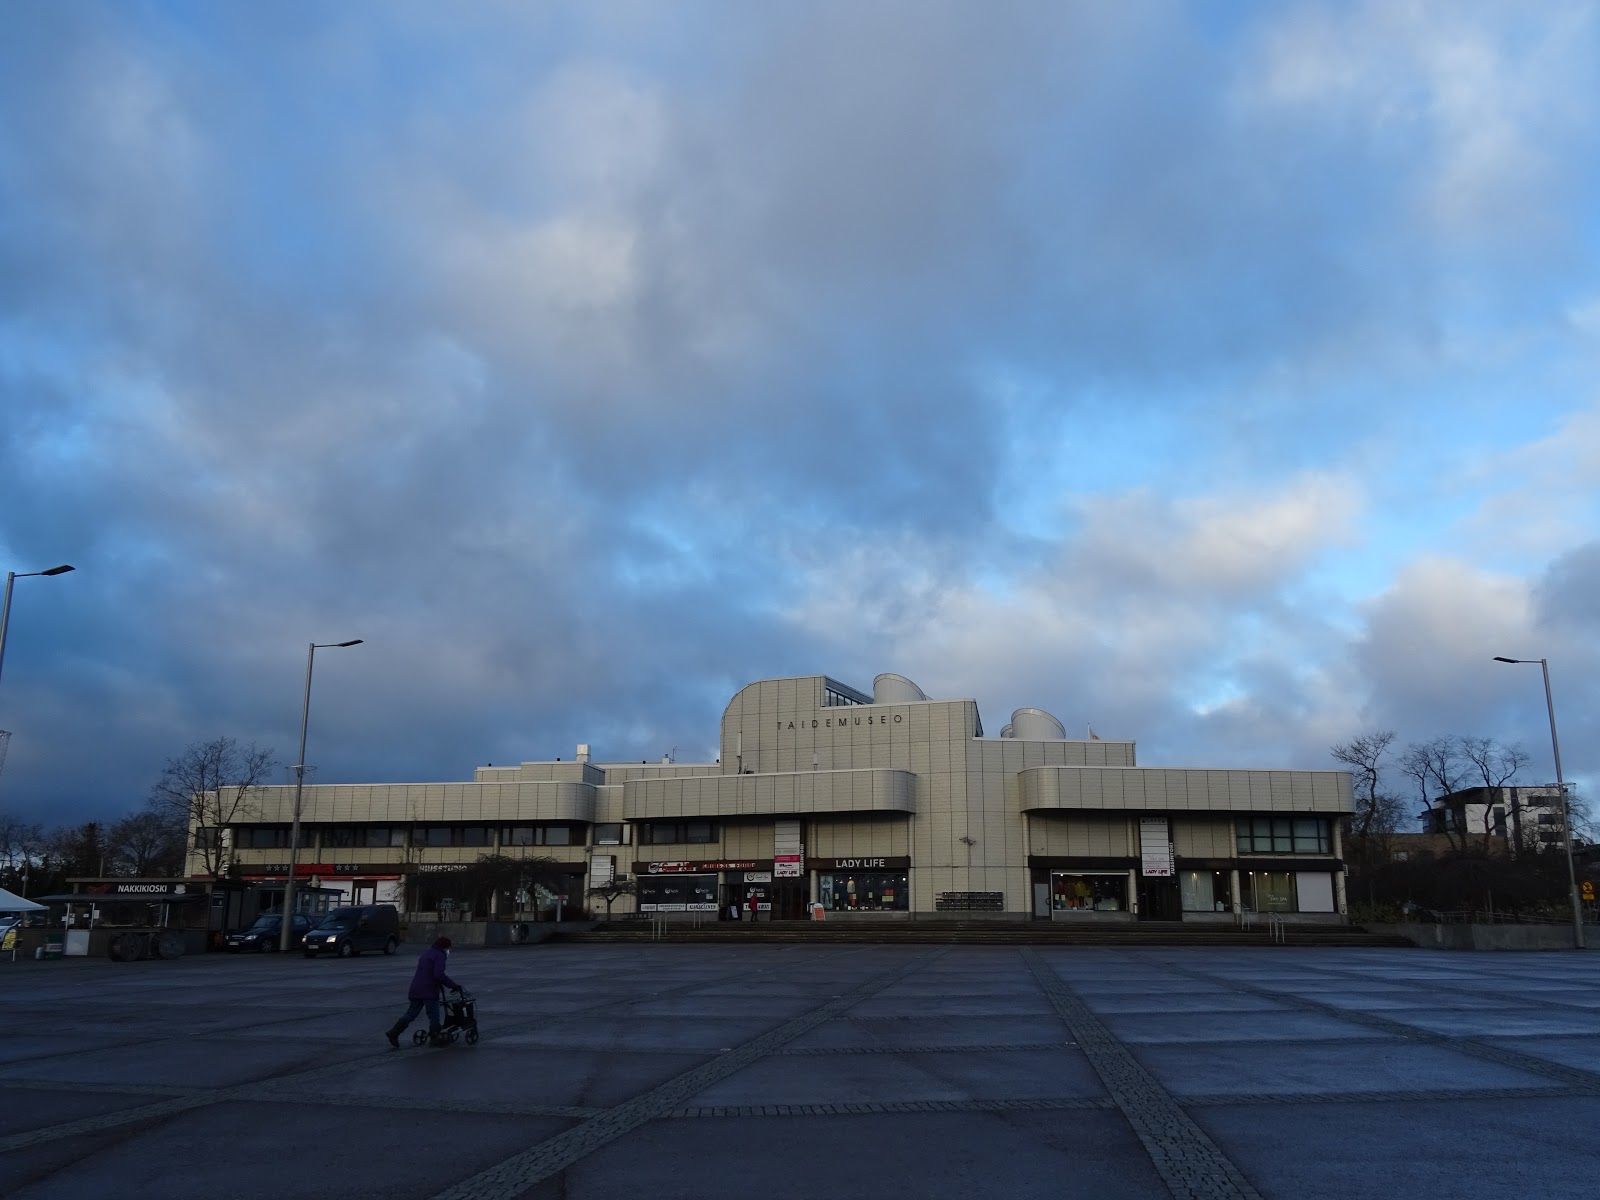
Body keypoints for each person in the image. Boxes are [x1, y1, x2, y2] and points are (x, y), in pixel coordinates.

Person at [385, 935, 461, 1048]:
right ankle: (435, 1037)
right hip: (429, 990)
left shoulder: (427, 953)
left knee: (411, 1014)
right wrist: (453, 985)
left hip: (416, 988)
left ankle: (394, 1032)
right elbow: (438, 974)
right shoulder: (440, 955)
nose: (449, 950)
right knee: (434, 1015)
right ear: (445, 947)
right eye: (448, 948)